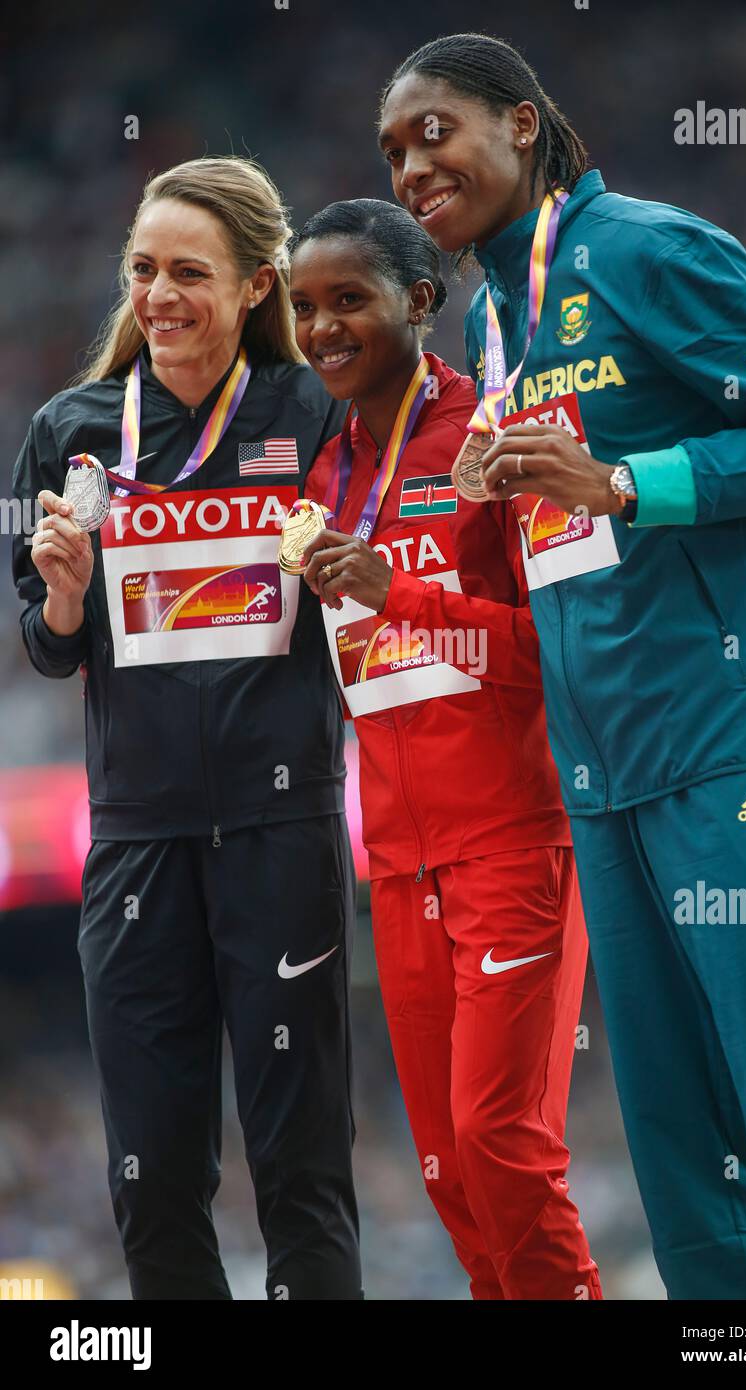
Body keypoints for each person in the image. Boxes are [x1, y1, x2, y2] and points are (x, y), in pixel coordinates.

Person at [381, 32, 746, 1301]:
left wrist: (626, 482)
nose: (410, 167)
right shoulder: (492, 319)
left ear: (522, 124)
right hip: (601, 773)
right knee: (677, 1146)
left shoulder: (645, 248)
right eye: (390, 153)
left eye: (435, 130)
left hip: (733, 741)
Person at [12, 157, 361, 1301]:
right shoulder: (70, 430)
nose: (159, 293)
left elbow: (371, 590)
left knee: (300, 1171)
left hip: (284, 831)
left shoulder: (315, 411)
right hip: (137, 843)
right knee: (153, 1179)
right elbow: (47, 641)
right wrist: (63, 594)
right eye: (143, 269)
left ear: (259, 284)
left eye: (189, 273)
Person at [288, 197, 603, 1300]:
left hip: (514, 844)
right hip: (400, 866)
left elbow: (563, 654)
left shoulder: (496, 439)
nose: (322, 328)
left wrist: (401, 594)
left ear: (420, 301)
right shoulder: (322, 480)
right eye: (303, 308)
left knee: (503, 1145)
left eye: (348, 300)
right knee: (454, 1176)